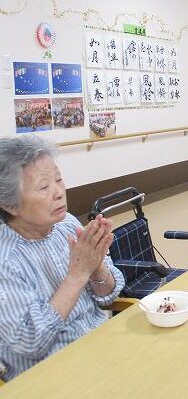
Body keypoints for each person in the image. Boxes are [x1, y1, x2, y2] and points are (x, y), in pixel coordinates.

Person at [0, 135, 125, 381]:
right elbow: (31, 343)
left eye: (58, 179)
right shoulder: (6, 259)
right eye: (44, 187)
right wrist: (77, 275)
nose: (58, 192)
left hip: (99, 345)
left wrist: (96, 265)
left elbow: (110, 295)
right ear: (9, 204)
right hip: (50, 374)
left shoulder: (66, 224)